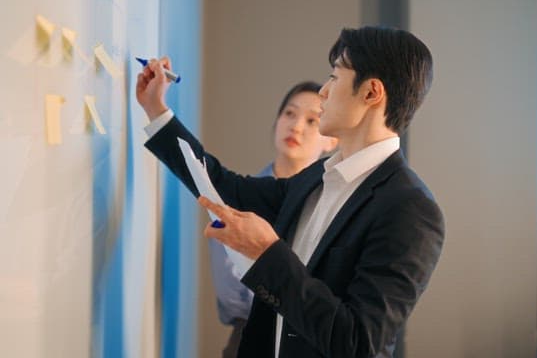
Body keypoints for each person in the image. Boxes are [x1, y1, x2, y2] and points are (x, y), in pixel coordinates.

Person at [136, 26, 444, 357]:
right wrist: (157, 111)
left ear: (371, 92)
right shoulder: (318, 177)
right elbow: (224, 188)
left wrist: (267, 254)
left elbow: (358, 343)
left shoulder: (411, 210)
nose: (324, 91)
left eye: (335, 77)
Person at [208, 81, 337, 358]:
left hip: (311, 342)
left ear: (331, 139)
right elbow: (231, 294)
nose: (296, 127)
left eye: (312, 120)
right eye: (289, 114)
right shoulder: (239, 199)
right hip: (250, 336)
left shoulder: (332, 206)